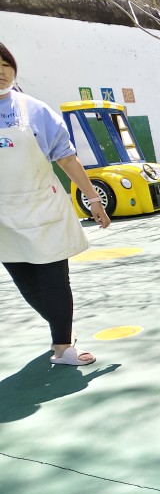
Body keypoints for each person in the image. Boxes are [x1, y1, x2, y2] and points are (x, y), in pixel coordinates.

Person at [0, 41, 110, 366]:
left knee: (54, 281)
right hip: (3, 218)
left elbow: (66, 158)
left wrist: (93, 198)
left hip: (41, 208)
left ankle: (62, 347)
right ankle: (63, 328)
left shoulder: (34, 110)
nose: (1, 72)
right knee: (28, 286)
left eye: (5, 65)